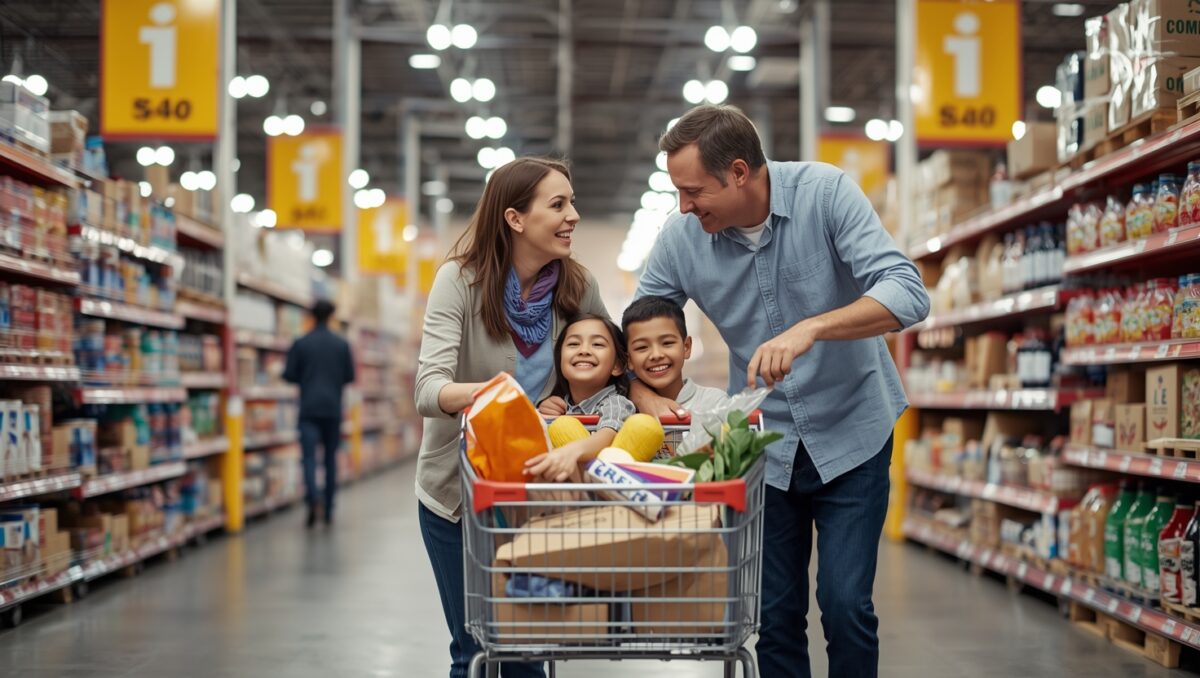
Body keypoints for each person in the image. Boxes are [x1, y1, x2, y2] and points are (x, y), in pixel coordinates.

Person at [632, 104, 930, 678]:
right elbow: (635, 328)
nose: (684, 206)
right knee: (773, 614)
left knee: (846, 607)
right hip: (763, 448)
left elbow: (908, 291)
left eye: (694, 191)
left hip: (854, 433)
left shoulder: (825, 194)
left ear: (739, 172)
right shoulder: (681, 239)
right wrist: (646, 398)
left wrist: (812, 326)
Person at [413, 157, 610, 678]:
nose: (574, 216)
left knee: (527, 646)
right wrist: (506, 399)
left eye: (572, 202)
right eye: (558, 204)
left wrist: (568, 397)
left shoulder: (577, 287)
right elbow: (428, 389)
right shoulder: (459, 281)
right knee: (474, 648)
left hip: (536, 492)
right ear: (515, 218)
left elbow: (604, 367)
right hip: (458, 492)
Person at [528, 314, 635, 481]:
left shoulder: (617, 403)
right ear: (560, 360)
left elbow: (608, 435)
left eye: (598, 344)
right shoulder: (559, 406)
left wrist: (571, 450)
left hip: (610, 484)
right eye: (573, 344)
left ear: (617, 365)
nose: (584, 350)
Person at [282, 299, 356, 529]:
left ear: (311, 316)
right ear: (332, 315)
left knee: (308, 458)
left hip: (308, 409)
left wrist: (306, 378)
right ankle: (329, 508)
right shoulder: (341, 345)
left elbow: (289, 374)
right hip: (332, 409)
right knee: (330, 459)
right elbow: (349, 376)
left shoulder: (301, 343)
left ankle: (313, 498)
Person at [621, 295, 729, 414]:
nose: (656, 355)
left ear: (686, 347)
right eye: (642, 347)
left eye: (667, 343)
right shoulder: (620, 410)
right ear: (628, 359)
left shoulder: (715, 403)